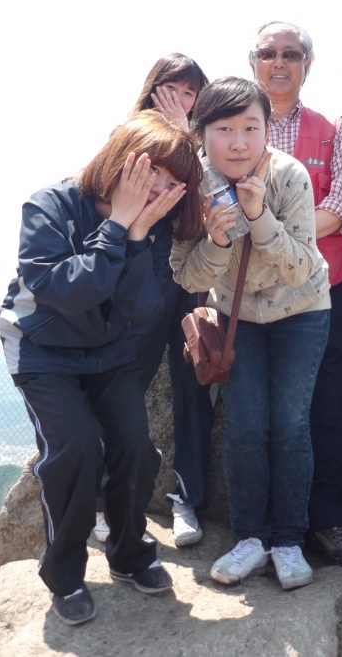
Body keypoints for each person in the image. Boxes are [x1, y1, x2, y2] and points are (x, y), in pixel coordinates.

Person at [0, 111, 203, 624]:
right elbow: (68, 290)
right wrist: (116, 227)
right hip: (42, 350)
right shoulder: (49, 205)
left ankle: (129, 554)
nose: (159, 188)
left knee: (134, 444)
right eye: (153, 170)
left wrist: (137, 235)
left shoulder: (151, 225)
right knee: (75, 449)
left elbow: (141, 308)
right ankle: (64, 574)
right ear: (123, 157)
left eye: (172, 183)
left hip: (108, 349)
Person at [171, 76, 331, 590]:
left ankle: (288, 541)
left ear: (267, 131)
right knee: (243, 425)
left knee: (290, 425)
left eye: (251, 127)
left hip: (300, 310)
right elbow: (187, 276)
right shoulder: (192, 186)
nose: (238, 142)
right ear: (201, 133)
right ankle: (250, 539)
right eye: (224, 129)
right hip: (235, 317)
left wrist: (258, 216)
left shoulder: (288, 175)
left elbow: (300, 268)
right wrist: (216, 241)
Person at [249, 22, 342, 566]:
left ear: (307, 65)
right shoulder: (236, 128)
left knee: (330, 404)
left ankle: (329, 520)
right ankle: (262, 527)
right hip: (252, 295)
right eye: (268, 53)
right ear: (253, 63)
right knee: (259, 410)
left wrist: (270, 231)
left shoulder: (334, 130)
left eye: (290, 54)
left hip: (328, 287)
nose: (279, 62)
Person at [94, 53, 213, 549]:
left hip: (186, 279)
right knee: (124, 387)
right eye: (173, 90)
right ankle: (103, 500)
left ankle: (187, 499)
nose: (180, 102)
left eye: (190, 94)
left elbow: (200, 207)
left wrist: (184, 137)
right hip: (138, 278)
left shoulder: (202, 148)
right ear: (151, 91)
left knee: (194, 385)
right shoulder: (127, 140)